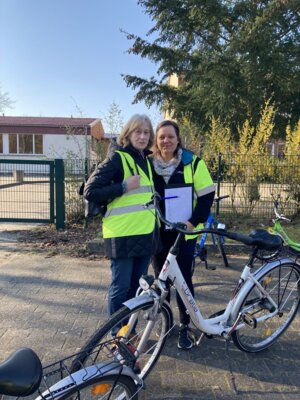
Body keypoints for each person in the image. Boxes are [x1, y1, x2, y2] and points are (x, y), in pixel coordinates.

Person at [84, 114, 159, 326]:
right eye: (138, 131)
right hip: (122, 235)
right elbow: (91, 191)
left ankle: (129, 333)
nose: (142, 136)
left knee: (137, 287)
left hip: (144, 234)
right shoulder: (118, 158)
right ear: (128, 133)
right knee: (120, 287)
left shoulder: (145, 160)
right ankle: (117, 336)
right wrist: (124, 186)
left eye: (146, 132)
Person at [151, 120, 215, 350]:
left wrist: (193, 222)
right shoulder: (148, 165)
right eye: (161, 137)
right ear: (156, 141)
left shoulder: (193, 163)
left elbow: (207, 196)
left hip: (184, 235)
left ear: (178, 139)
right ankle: (164, 325)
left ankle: (185, 326)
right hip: (159, 234)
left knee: (184, 283)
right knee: (161, 281)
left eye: (170, 136)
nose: (166, 141)